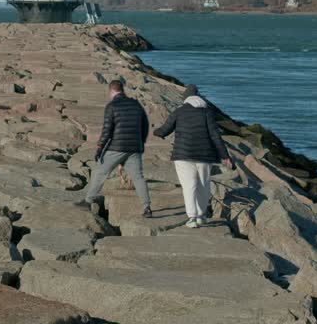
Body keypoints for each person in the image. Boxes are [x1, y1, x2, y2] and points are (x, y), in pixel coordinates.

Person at [153, 84, 233, 228]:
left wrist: (156, 132)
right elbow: (215, 135)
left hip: (183, 154)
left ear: (186, 98)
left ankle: (192, 217)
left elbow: (165, 130)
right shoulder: (207, 112)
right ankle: (202, 215)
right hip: (205, 155)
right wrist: (225, 156)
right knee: (203, 184)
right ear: (198, 96)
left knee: (189, 186)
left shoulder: (179, 111)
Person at [80, 78, 152, 216]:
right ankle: (146, 207)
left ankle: (88, 202)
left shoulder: (112, 106)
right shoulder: (136, 104)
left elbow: (107, 130)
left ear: (111, 90)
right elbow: (145, 125)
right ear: (122, 89)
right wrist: (141, 142)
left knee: (100, 172)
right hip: (134, 148)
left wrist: (100, 147)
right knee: (138, 177)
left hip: (116, 147)